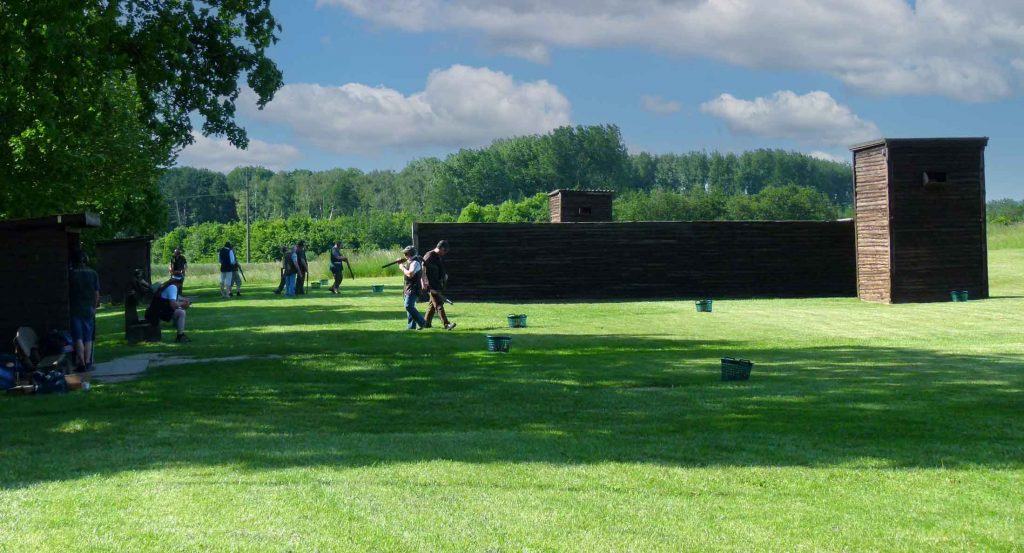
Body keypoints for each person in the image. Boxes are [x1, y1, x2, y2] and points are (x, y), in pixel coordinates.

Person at [69, 251, 100, 373]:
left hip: (75, 309)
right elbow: (96, 294)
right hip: (88, 309)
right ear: (85, 260)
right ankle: (87, 362)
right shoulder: (93, 274)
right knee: (88, 338)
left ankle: (80, 362)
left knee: (78, 337)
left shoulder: (71, 274)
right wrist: (94, 307)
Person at [146, 274, 192, 342]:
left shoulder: (167, 285)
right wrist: (183, 304)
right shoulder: (173, 287)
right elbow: (173, 304)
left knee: (178, 310)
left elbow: (176, 298)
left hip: (154, 312)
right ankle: (180, 336)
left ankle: (179, 332)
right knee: (181, 312)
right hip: (157, 313)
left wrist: (183, 301)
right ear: (181, 282)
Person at [422, 239, 455, 330]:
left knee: (432, 305)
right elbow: (422, 268)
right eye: (445, 251)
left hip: (437, 284)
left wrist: (444, 275)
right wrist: (424, 282)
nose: (445, 253)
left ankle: (425, 323)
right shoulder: (430, 255)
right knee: (438, 304)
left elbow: (439, 268)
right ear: (440, 248)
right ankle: (446, 324)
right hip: (431, 285)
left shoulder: (438, 256)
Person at [399, 246, 428, 330]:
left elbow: (410, 274)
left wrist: (402, 267)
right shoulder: (411, 261)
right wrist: (401, 262)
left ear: (408, 254)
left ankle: (422, 322)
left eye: (405, 253)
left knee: (408, 306)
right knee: (410, 308)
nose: (404, 255)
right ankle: (411, 327)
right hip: (408, 287)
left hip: (413, 288)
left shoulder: (415, 262)